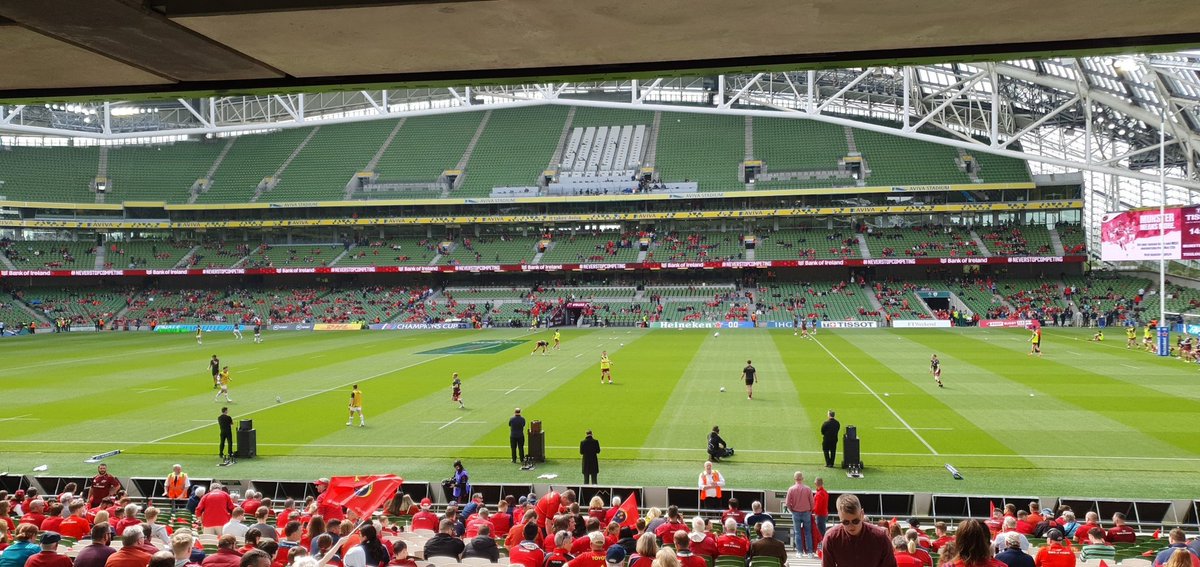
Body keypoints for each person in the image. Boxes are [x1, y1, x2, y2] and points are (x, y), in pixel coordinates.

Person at [821, 493, 895, 567]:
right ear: (839, 516)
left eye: (855, 521)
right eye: (845, 522)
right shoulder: (831, 538)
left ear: (862, 514)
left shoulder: (880, 537)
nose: (851, 526)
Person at [786, 472, 815, 558]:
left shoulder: (791, 489)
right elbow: (812, 502)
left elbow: (787, 503)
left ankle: (799, 552)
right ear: (802, 478)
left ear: (794, 479)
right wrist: (810, 510)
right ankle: (810, 552)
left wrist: (792, 510)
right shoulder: (808, 489)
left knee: (797, 533)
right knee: (808, 533)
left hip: (796, 512)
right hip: (806, 513)